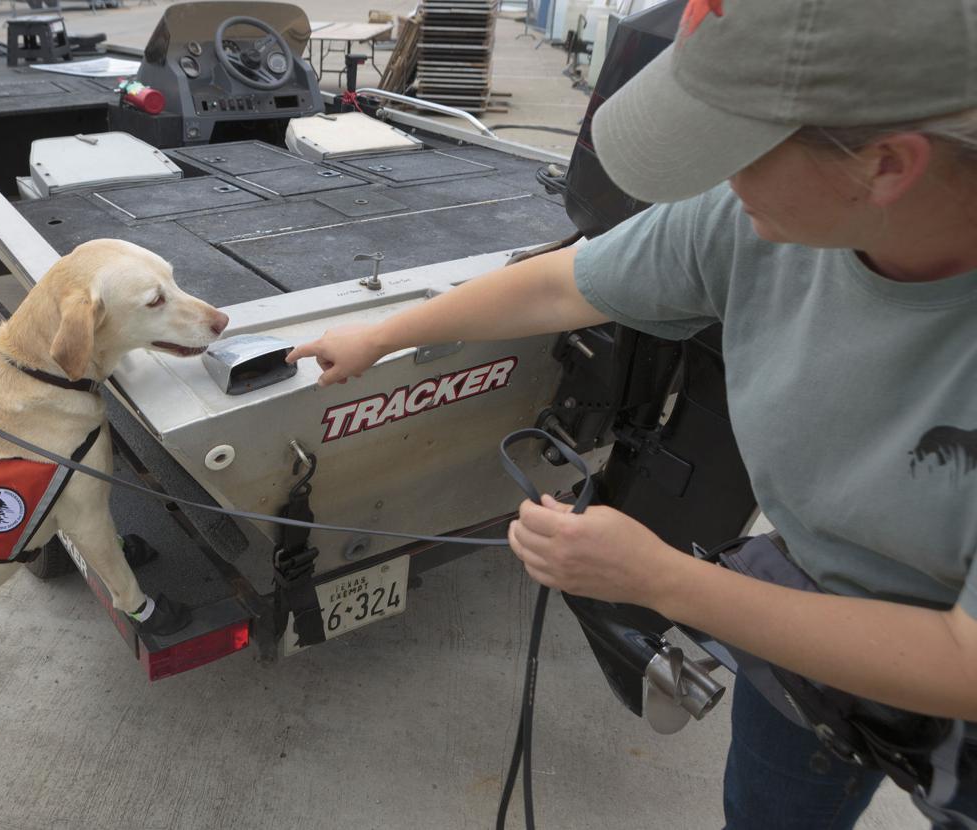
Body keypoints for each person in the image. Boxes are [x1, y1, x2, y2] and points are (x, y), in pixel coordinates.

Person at [286, 0, 977, 826]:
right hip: (803, 616)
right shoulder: (748, 224)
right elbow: (561, 283)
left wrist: (662, 581)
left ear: (886, 165)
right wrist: (384, 335)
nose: (714, 183)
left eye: (736, 151)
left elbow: (963, 660)